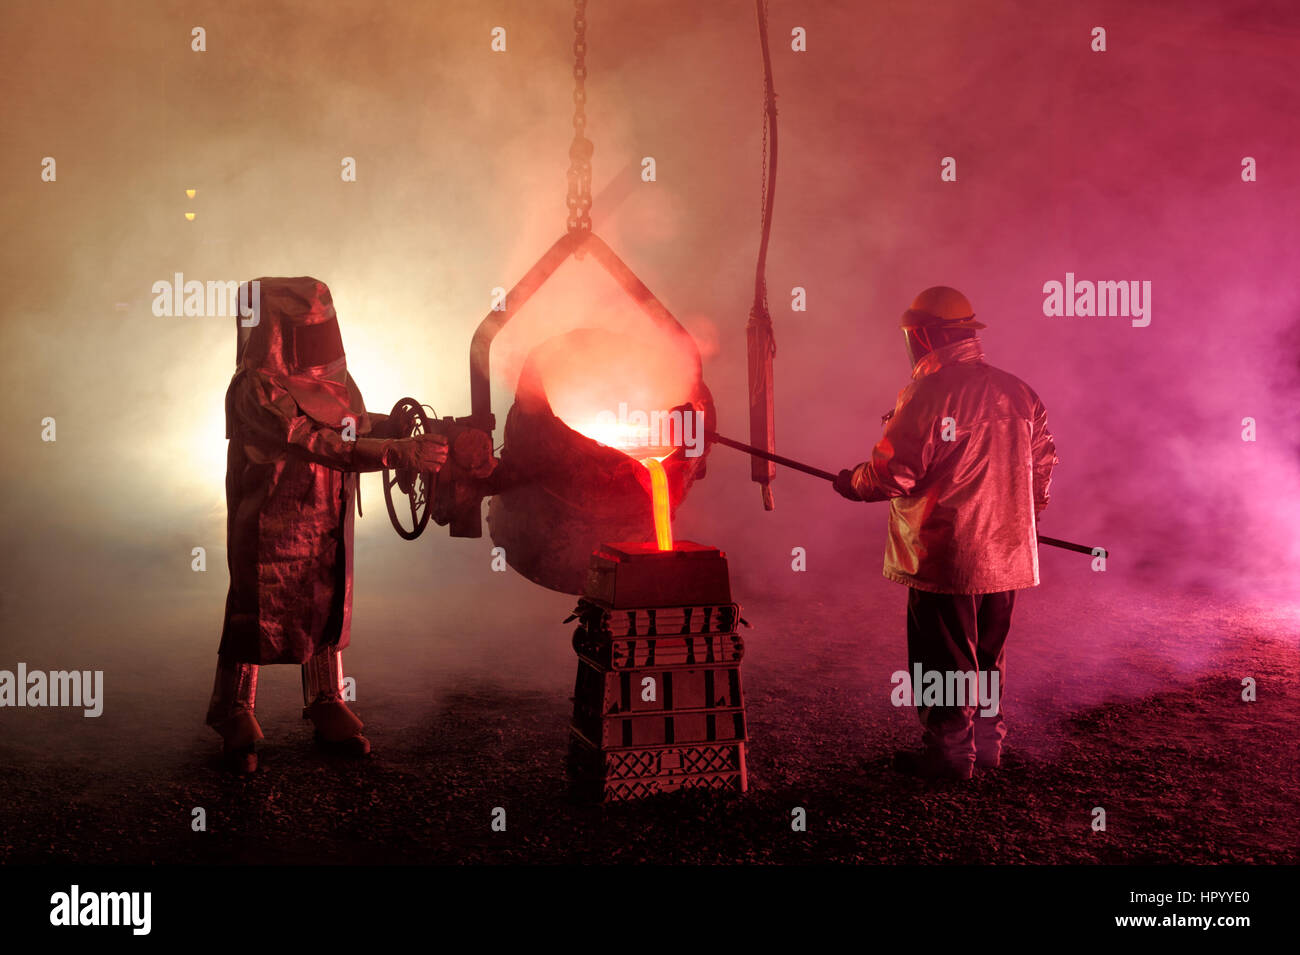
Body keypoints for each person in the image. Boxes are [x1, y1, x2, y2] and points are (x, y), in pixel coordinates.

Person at [205, 276, 448, 774]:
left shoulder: (336, 379)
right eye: (306, 331)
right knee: (256, 609)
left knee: (325, 598)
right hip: (271, 516)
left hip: (326, 510)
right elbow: (311, 438)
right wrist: (390, 452)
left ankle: (326, 700)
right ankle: (234, 716)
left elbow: (348, 423)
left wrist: (393, 429)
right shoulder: (256, 387)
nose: (319, 341)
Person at [834, 286, 1058, 780]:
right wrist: (1024, 518)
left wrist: (854, 482)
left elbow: (897, 474)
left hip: (948, 554)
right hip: (1008, 553)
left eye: (911, 335)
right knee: (987, 657)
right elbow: (1041, 467)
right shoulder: (1018, 391)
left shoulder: (929, 392)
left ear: (924, 335)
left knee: (944, 659)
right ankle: (987, 745)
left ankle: (951, 757)